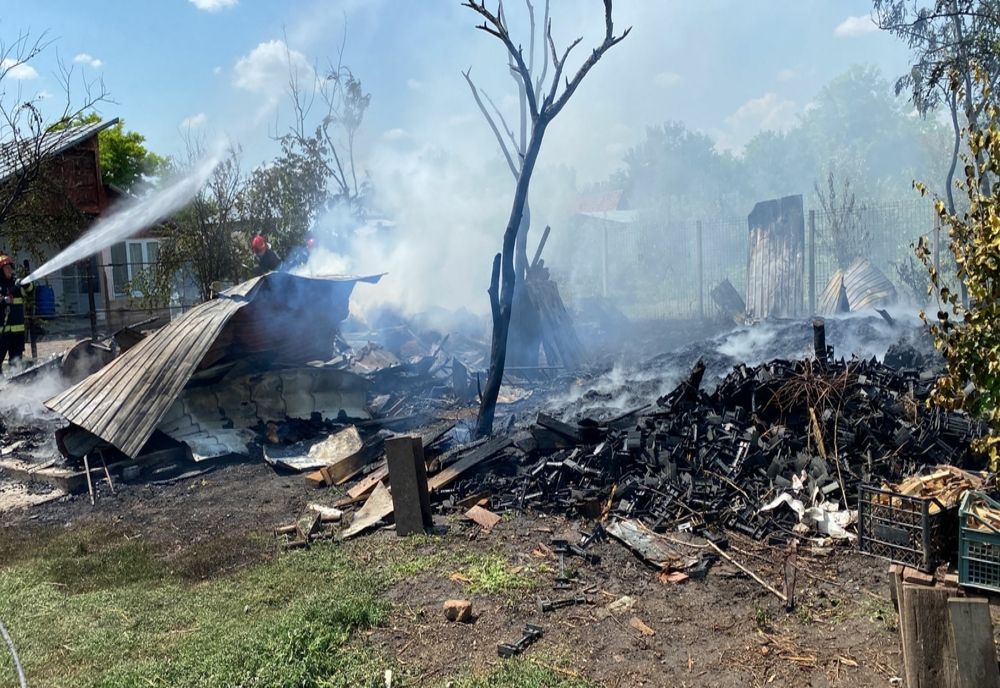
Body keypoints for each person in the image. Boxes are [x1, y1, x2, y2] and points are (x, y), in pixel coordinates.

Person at [0, 255, 34, 372]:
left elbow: (30, 291)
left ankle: (16, 385)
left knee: (16, 362)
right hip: (2, 333)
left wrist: (25, 283)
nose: (9, 270)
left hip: (17, 333)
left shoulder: (16, 283)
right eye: (6, 268)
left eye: (10, 267)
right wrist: (3, 301)